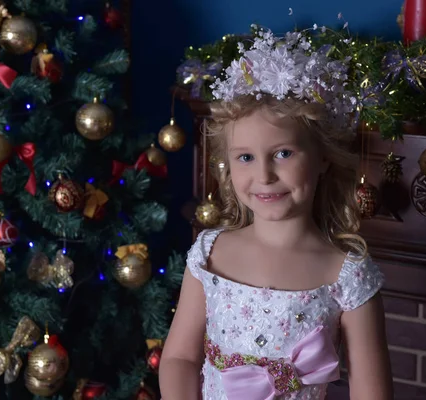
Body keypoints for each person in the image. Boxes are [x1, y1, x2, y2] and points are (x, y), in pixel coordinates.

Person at [159, 26, 393, 400]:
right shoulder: (209, 253)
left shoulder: (348, 277)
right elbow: (179, 358)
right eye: (246, 157)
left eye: (283, 153)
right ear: (228, 165)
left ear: (322, 159)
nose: (264, 175)